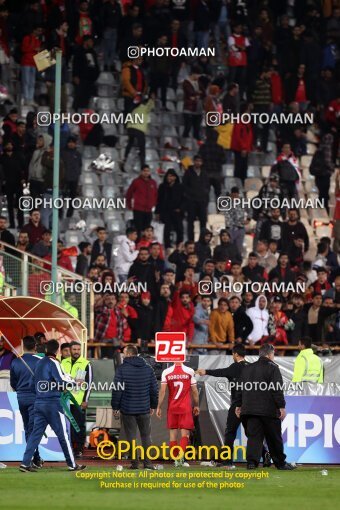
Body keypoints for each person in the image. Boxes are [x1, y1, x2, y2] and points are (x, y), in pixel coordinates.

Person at [196, 344, 271, 468]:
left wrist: (206, 371)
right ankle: (265, 454)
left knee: (230, 432)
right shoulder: (252, 367)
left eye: (233, 354)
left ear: (235, 354)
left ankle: (227, 461)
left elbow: (221, 372)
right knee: (251, 434)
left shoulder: (235, 367)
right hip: (251, 405)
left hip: (237, 405)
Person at [20, 339, 86, 472]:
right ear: (57, 351)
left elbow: (33, 383)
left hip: (39, 403)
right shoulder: (54, 362)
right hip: (53, 404)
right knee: (63, 436)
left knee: (35, 435)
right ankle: (72, 464)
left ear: (45, 350)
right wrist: (75, 384)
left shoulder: (39, 363)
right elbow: (60, 381)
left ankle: (25, 463)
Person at [234, 343, 296, 470]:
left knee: (254, 438)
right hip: (268, 410)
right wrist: (281, 406)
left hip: (250, 410)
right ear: (269, 354)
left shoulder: (247, 368)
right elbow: (277, 389)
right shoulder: (273, 368)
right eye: (273, 354)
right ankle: (280, 463)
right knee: (274, 438)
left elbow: (239, 389)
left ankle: (251, 463)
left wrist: (238, 405)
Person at [111, 344, 158, 470]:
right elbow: (154, 389)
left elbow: (117, 390)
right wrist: (153, 405)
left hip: (128, 409)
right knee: (146, 436)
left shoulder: (121, 369)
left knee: (131, 436)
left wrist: (115, 406)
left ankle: (135, 463)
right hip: (144, 408)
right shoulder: (148, 369)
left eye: (124, 353)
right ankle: (148, 463)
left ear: (128, 354)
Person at [157, 361, 199, 467]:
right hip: (185, 407)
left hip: (172, 407)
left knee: (173, 436)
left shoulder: (166, 372)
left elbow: (162, 391)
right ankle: (180, 459)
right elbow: (194, 391)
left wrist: (159, 406)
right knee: (185, 435)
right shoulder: (189, 371)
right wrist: (197, 405)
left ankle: (176, 460)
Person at [10, 336, 43, 468]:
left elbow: (13, 383)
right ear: (35, 346)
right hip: (36, 397)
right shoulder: (41, 361)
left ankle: (36, 458)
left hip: (21, 397)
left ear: (22, 346)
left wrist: (20, 390)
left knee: (29, 428)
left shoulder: (16, 362)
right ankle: (29, 459)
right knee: (34, 430)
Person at [61, 342, 93, 458]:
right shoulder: (63, 362)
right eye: (74, 349)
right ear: (70, 350)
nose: (76, 351)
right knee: (65, 425)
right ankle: (68, 447)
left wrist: (85, 400)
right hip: (65, 400)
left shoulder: (86, 364)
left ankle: (79, 448)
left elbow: (89, 384)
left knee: (79, 425)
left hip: (78, 401)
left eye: (78, 349)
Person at [155, 169, 184, 250]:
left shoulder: (180, 187)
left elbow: (184, 199)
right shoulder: (162, 187)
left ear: (175, 177)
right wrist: (157, 212)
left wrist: (180, 209)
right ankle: (167, 246)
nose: (169, 178)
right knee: (166, 230)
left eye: (171, 176)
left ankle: (179, 246)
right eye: (168, 176)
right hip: (166, 212)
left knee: (179, 230)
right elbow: (159, 200)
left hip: (177, 212)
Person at [126, 165, 158, 237]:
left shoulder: (153, 182)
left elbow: (156, 195)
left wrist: (153, 204)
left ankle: (145, 246)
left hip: (148, 210)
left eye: (147, 171)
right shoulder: (136, 182)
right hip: (138, 209)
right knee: (138, 229)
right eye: (144, 171)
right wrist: (129, 205)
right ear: (141, 172)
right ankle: (138, 244)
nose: (146, 173)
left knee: (147, 229)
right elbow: (129, 193)